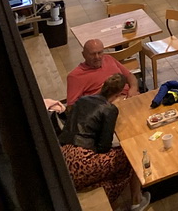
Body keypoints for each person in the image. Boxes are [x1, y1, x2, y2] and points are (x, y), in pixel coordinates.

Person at [59, 73, 148, 211]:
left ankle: (111, 198)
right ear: (118, 94)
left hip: (63, 158)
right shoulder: (109, 109)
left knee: (115, 162)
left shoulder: (82, 100)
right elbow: (104, 147)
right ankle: (137, 201)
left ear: (102, 86)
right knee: (131, 154)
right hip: (82, 161)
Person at [67, 39, 139, 105]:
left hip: (128, 98)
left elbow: (130, 76)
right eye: (92, 54)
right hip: (104, 107)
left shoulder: (108, 58)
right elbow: (71, 107)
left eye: (100, 53)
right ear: (84, 55)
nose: (97, 57)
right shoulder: (75, 76)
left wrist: (133, 88)